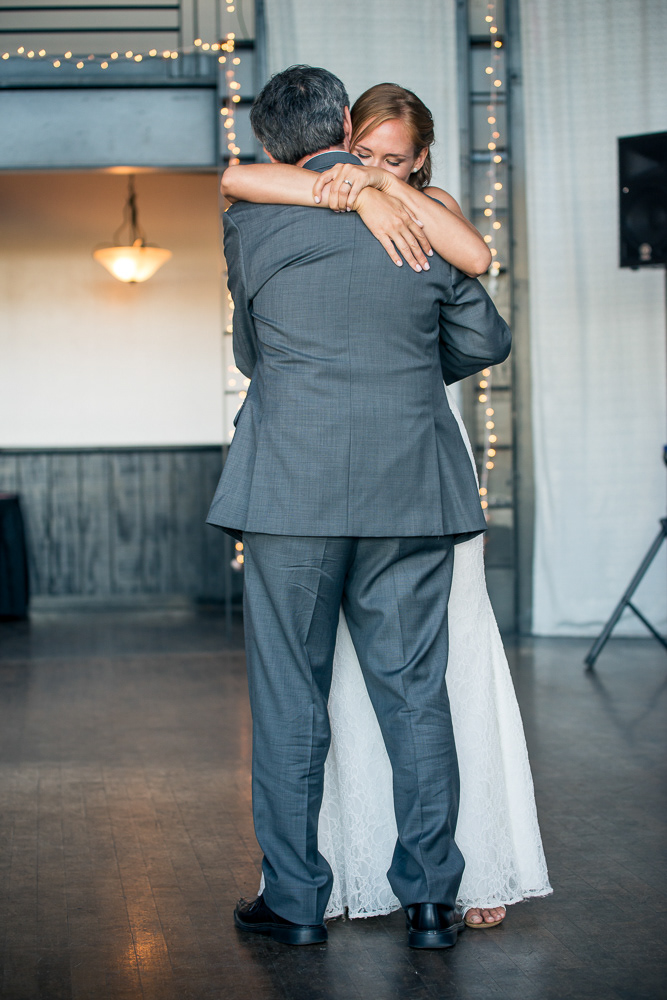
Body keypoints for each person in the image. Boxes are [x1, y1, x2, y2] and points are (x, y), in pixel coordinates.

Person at [218, 80, 552, 931]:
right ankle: (432, 899)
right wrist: (399, 370)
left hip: (289, 490)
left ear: (271, 145)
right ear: (345, 124)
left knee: (290, 701)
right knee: (413, 696)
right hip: (409, 487)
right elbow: (483, 339)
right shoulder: (417, 217)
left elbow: (252, 353)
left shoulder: (252, 221)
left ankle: (295, 903)